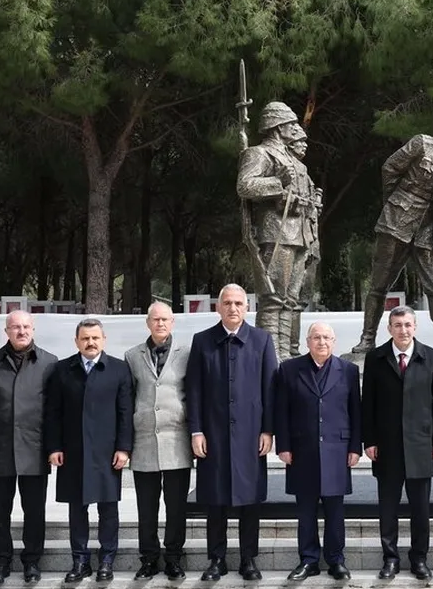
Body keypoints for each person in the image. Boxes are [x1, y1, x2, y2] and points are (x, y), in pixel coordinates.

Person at [351, 104, 433, 355]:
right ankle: (367, 339)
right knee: (379, 285)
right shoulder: (422, 144)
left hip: (427, 229)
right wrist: (396, 202)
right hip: (396, 221)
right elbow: (389, 168)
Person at [186, 284, 278, 581]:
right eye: (227, 303)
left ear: (247, 307)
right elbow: (194, 389)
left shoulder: (262, 341)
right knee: (215, 499)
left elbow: (269, 389)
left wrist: (268, 429)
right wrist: (196, 430)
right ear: (218, 307)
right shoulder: (202, 342)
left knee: (250, 498)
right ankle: (217, 558)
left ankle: (249, 558)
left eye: (239, 303)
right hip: (212, 435)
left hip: (251, 435)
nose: (233, 308)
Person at [44, 318, 134, 583]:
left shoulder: (118, 369)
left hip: (107, 453)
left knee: (108, 508)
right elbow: (53, 413)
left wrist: (124, 448)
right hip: (72, 452)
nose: (90, 342)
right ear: (77, 342)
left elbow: (125, 412)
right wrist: (54, 447)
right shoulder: (62, 370)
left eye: (95, 338)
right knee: (77, 509)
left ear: (103, 339)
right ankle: (80, 560)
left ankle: (107, 560)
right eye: (85, 338)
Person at [361, 306, 433, 580]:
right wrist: (369, 440)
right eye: (397, 325)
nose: (403, 330)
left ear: (415, 327)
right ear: (389, 328)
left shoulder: (431, 358)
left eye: (408, 325)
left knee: (421, 509)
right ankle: (390, 559)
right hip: (386, 447)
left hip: (421, 446)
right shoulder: (376, 358)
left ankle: (419, 559)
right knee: (388, 508)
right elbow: (368, 404)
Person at [273, 322, 361, 581]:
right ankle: (309, 560)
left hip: (338, 450)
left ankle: (336, 560)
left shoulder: (348, 371)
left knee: (335, 511)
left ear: (334, 342)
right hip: (302, 450)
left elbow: (356, 411)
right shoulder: (289, 370)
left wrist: (355, 447)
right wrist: (284, 446)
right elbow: (282, 411)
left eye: (326, 338)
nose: (321, 342)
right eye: (316, 337)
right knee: (306, 510)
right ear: (307, 341)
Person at [0, 310, 57, 585]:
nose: (21, 331)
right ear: (6, 331)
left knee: (34, 510)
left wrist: (53, 446)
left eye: (25, 327)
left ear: (33, 329)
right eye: (15, 327)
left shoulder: (49, 363)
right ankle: (0, 562)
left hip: (35, 449)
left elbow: (54, 412)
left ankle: (32, 561)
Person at [237, 102, 321, 359]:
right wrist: (278, 182)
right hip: (276, 232)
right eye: (292, 124)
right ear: (278, 126)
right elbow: (245, 186)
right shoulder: (259, 153)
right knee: (272, 299)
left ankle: (286, 355)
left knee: (290, 301)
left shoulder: (294, 160)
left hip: (300, 233)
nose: (296, 128)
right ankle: (270, 357)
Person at [124, 301, 192, 580]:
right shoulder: (132, 356)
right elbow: (127, 398)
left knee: (176, 505)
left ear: (172, 322)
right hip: (144, 439)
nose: (160, 324)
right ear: (148, 323)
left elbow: (193, 392)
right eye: (155, 320)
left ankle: (174, 557)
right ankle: (149, 558)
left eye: (165, 319)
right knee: (146, 505)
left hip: (176, 438)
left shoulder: (186, 353)